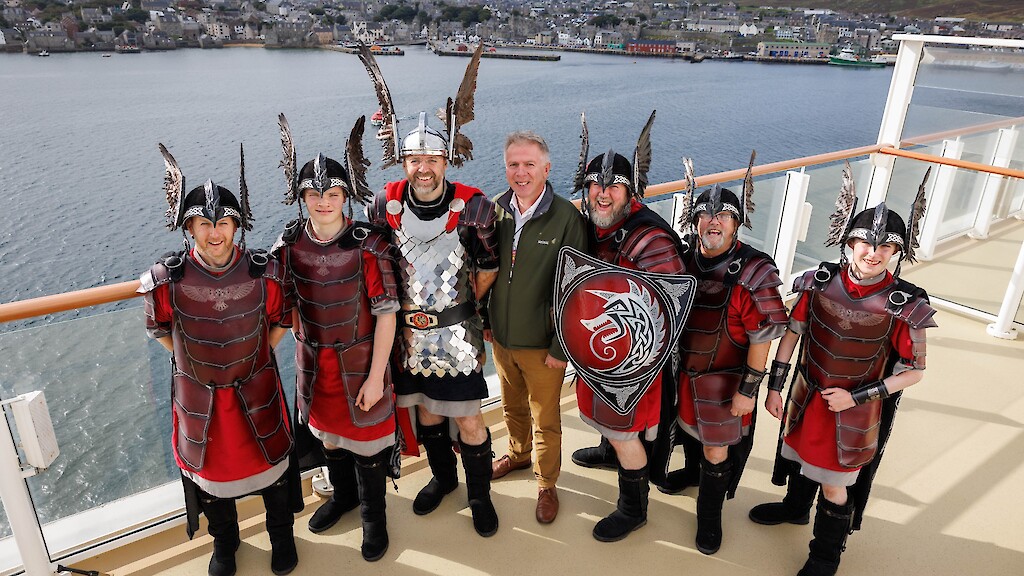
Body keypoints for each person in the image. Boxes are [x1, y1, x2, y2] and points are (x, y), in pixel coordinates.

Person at [749, 165, 936, 576]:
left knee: (836, 484)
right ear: (848, 244)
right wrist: (776, 388)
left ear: (896, 253)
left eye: (885, 247)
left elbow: (914, 371)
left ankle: (825, 556)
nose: (874, 253)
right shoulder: (818, 281)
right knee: (797, 456)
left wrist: (856, 397)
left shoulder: (905, 304)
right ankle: (795, 508)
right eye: (865, 243)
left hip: (853, 410)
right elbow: (793, 334)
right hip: (806, 393)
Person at [360, 43, 500, 537]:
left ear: (447, 159)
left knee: (468, 422)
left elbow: (488, 265)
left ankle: (480, 495)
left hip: (459, 336)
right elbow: (373, 264)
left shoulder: (475, 207)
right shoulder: (384, 207)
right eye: (415, 158)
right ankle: (444, 480)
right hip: (408, 339)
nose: (423, 167)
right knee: (427, 417)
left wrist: (467, 311)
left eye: (433, 157)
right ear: (404, 161)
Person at [140, 144, 300, 576]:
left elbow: (283, 318)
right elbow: (158, 328)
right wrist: (195, 364)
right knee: (211, 478)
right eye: (204, 224)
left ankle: (282, 537)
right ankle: (225, 545)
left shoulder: (264, 271)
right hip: (199, 396)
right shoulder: (166, 279)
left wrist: (255, 356)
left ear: (237, 225)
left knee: (272, 471)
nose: (215, 233)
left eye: (224, 223)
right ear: (188, 227)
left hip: (257, 386)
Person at [271, 115, 399, 562]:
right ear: (302, 197)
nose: (323, 201)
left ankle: (373, 519)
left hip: (363, 363)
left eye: (332, 193)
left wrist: (377, 377)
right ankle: (343, 497)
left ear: (345, 195)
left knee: (367, 446)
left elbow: (387, 316)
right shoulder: (288, 246)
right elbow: (277, 309)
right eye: (314, 193)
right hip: (313, 367)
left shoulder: (369, 244)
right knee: (327, 439)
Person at [569, 111, 689, 542]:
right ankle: (608, 449)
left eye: (613, 186)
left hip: (636, 361)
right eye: (595, 186)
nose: (603, 194)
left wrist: (631, 353)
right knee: (609, 424)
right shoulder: (590, 227)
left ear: (629, 191)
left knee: (626, 429)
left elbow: (671, 311)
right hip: (598, 348)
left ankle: (633, 508)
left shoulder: (649, 238)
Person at [672, 155, 789, 556]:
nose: (713, 221)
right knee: (686, 431)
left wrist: (749, 390)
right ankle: (689, 475)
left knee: (716, 448)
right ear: (695, 223)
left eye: (723, 214)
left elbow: (763, 338)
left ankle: (709, 516)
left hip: (726, 380)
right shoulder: (686, 258)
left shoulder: (753, 271)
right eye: (704, 215)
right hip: (682, 371)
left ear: (737, 223)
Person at [485, 131, 588, 524]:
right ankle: (518, 454)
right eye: (514, 164)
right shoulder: (495, 210)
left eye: (530, 164)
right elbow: (483, 270)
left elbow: (577, 291)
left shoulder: (567, 219)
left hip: (544, 345)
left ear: (546, 168)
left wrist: (562, 348)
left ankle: (546, 483)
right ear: (506, 167)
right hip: (502, 337)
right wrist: (486, 321)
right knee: (512, 406)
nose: (521, 172)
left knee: (546, 418)